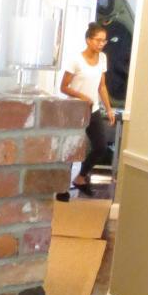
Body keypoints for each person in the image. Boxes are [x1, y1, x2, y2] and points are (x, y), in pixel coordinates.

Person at [60, 22, 116, 194]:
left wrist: (109, 108)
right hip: (75, 110)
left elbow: (102, 86)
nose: (101, 44)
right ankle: (62, 188)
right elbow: (64, 87)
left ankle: (81, 177)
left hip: (93, 110)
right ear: (88, 40)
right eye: (98, 40)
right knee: (71, 148)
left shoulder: (102, 59)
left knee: (101, 147)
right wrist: (82, 97)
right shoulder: (76, 60)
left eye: (104, 41)